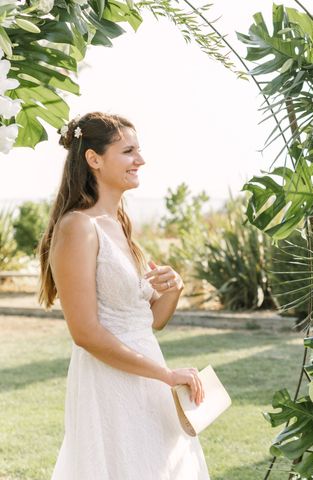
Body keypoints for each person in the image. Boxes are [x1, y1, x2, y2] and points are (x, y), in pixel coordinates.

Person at [38, 112, 210, 479]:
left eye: (139, 150)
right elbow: (85, 332)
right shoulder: (77, 228)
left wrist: (174, 289)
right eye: (129, 151)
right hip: (110, 384)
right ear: (94, 159)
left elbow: (151, 321)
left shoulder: (120, 225)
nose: (140, 160)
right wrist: (165, 375)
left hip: (147, 374)